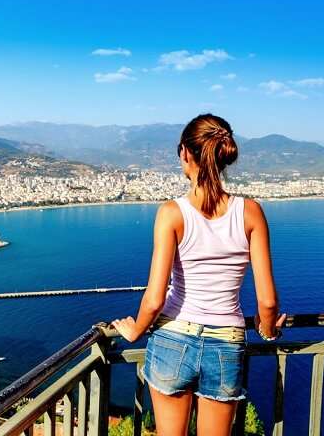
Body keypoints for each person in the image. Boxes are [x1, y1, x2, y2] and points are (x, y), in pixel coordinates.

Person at [112, 114, 286, 436]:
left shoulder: (171, 213)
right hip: (226, 342)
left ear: (184, 153)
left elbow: (153, 299)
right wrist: (268, 330)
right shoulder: (251, 212)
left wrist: (135, 330)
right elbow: (267, 300)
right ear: (223, 156)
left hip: (172, 338)